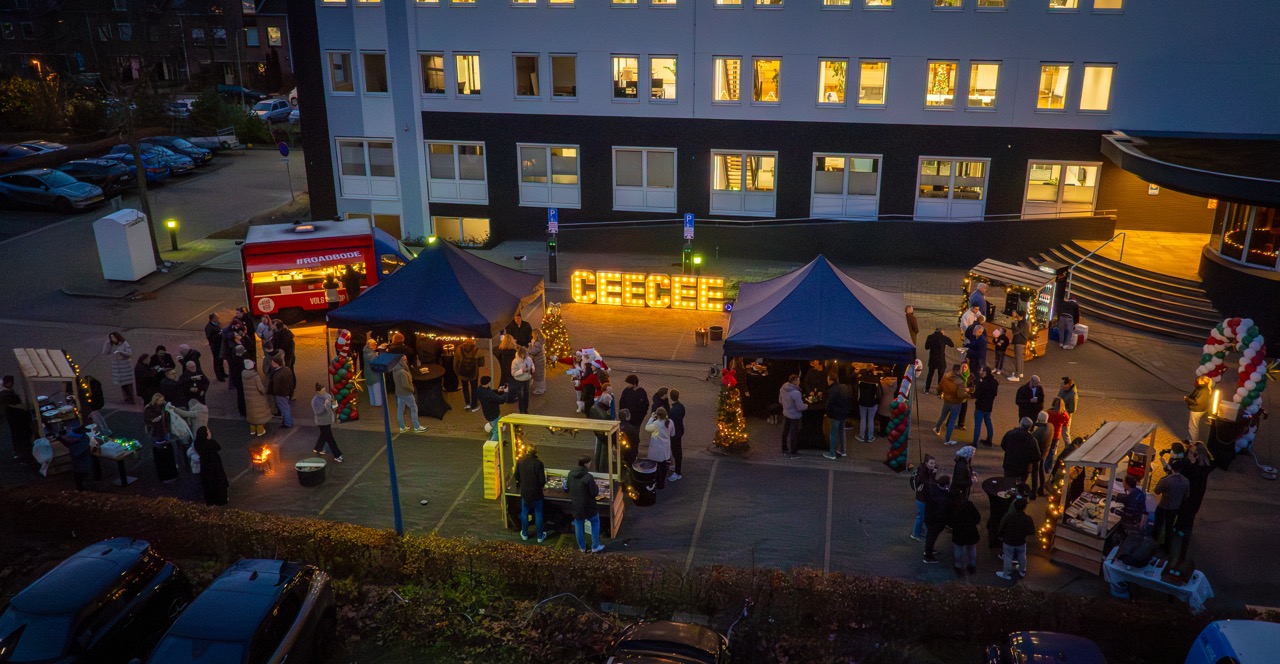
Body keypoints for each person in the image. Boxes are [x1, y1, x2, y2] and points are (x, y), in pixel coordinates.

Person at [565, 456, 605, 553]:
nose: (590, 464)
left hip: (576, 506)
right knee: (595, 523)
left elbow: (567, 488)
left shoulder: (570, 474)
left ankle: (582, 548)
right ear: (585, 464)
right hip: (589, 507)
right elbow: (594, 493)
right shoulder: (588, 477)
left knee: (578, 526)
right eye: (589, 463)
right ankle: (595, 546)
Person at [1176, 442, 1215, 542]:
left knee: (1188, 514)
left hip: (1194, 494)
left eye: (1193, 452)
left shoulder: (1204, 466)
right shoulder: (1191, 461)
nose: (1190, 453)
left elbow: (1198, 478)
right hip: (1188, 492)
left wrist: (1193, 463)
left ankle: (1183, 534)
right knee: (1182, 512)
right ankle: (1178, 530)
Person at [1153, 459, 1190, 551]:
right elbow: (1186, 495)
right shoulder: (1186, 481)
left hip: (1164, 505)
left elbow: (1157, 491)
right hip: (1175, 506)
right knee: (1169, 527)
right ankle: (1167, 546)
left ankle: (1153, 542)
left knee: (1158, 524)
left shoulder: (1166, 480)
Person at [514, 445, 547, 542]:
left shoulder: (520, 461)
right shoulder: (539, 464)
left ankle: (524, 534)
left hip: (525, 492)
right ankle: (540, 536)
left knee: (524, 512)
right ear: (535, 452)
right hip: (536, 493)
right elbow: (542, 481)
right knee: (538, 513)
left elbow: (516, 476)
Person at [996, 498, 1034, 580]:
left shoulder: (1009, 517)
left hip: (1008, 540)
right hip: (1021, 541)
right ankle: (1022, 571)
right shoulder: (1027, 518)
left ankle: (1006, 573)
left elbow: (1003, 527)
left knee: (1007, 557)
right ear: (1025, 507)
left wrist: (1000, 535)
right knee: (1022, 556)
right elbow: (1032, 531)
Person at [144, 393, 178, 483]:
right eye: (161, 400)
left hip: (164, 430)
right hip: (156, 432)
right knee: (159, 449)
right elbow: (147, 420)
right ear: (156, 400)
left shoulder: (163, 406)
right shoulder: (149, 409)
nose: (163, 401)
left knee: (166, 448)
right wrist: (154, 420)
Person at [1, 376, 34, 464]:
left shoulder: (5, 392)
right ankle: (25, 457)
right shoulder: (6, 394)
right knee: (21, 438)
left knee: (18, 438)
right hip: (17, 420)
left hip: (15, 419)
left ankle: (22, 455)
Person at [193, 426, 229, 505]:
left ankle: (210, 500)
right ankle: (221, 500)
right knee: (218, 480)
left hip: (205, 464)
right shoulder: (210, 442)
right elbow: (218, 447)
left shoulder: (197, 443)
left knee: (208, 483)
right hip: (214, 464)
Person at [950, 492, 982, 579]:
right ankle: (972, 566)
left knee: (958, 549)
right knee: (971, 548)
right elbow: (977, 517)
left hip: (959, 531)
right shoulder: (969, 505)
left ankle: (958, 566)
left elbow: (950, 520)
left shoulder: (953, 507)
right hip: (970, 530)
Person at [392, 355, 427, 433]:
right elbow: (406, 385)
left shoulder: (395, 369)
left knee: (400, 410)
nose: (406, 361)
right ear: (401, 361)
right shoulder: (402, 372)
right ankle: (416, 427)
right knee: (414, 409)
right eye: (404, 360)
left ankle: (402, 427)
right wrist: (412, 389)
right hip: (406, 394)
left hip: (399, 393)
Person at [922, 473, 952, 564]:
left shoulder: (933, 489)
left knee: (930, 536)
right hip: (936, 521)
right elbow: (942, 512)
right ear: (946, 485)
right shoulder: (943, 497)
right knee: (932, 537)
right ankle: (928, 556)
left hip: (929, 517)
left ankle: (929, 550)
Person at [933, 365, 966, 444]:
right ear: (959, 371)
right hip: (956, 403)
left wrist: (939, 393)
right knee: (952, 421)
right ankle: (947, 439)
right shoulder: (960, 381)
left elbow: (939, 387)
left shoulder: (946, 377)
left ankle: (937, 428)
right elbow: (960, 395)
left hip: (947, 401)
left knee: (943, 416)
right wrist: (968, 394)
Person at [312, 383, 344, 462]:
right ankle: (337, 455)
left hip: (328, 420)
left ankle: (318, 448)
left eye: (325, 390)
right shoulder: (315, 401)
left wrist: (334, 404)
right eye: (323, 391)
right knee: (330, 438)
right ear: (318, 392)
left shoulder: (327, 396)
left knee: (324, 435)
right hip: (322, 422)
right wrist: (325, 406)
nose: (324, 392)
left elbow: (333, 406)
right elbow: (318, 412)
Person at [1000, 417, 1039, 483]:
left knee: (1008, 484)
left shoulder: (1010, 434)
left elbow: (1003, 445)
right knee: (1020, 486)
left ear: (1020, 424)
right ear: (1030, 427)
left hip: (1009, 465)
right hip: (1023, 468)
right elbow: (1036, 456)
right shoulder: (1032, 440)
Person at [645, 407, 675, 490]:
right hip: (665, 448)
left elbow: (647, 428)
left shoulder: (656, 423)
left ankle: (657, 482)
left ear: (657, 415)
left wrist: (651, 418)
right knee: (663, 466)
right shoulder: (670, 422)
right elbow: (673, 434)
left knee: (656, 467)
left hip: (657, 448)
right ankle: (662, 483)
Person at [824, 374, 852, 460]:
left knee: (833, 433)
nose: (827, 381)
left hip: (836, 414)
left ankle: (832, 453)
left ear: (831, 380)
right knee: (842, 431)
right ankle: (843, 451)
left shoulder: (832, 389)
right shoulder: (844, 387)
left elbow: (829, 403)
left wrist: (827, 413)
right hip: (844, 413)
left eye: (828, 380)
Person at [911, 455, 938, 541]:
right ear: (926, 463)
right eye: (931, 463)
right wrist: (933, 473)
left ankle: (919, 531)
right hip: (922, 498)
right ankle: (915, 534)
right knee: (921, 517)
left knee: (922, 516)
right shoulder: (924, 472)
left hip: (923, 497)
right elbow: (929, 482)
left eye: (934, 463)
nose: (933, 465)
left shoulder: (924, 469)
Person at [779, 373, 807, 456]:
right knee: (793, 433)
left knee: (785, 431)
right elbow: (800, 407)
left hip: (786, 412)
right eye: (798, 380)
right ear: (796, 381)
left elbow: (780, 400)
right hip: (794, 415)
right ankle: (793, 451)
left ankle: (784, 447)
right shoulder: (796, 393)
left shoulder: (783, 388)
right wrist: (806, 406)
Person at [103, 332, 136, 404]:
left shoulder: (124, 343)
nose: (113, 339)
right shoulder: (111, 345)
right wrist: (107, 344)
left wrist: (121, 352)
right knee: (122, 384)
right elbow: (105, 352)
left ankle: (131, 398)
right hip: (116, 366)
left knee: (127, 383)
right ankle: (126, 398)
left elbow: (129, 353)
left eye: (114, 337)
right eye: (111, 337)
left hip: (124, 366)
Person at [242, 360, 271, 437]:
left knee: (252, 414)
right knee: (259, 415)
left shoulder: (243, 374)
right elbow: (260, 388)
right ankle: (260, 431)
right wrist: (265, 391)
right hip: (257, 398)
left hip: (248, 398)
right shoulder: (255, 376)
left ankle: (252, 430)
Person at [266, 357, 296, 428]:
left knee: (284, 408)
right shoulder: (287, 370)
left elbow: (276, 387)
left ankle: (288, 423)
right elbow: (291, 382)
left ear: (277, 363)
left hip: (280, 394)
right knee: (285, 407)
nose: (272, 364)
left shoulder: (277, 375)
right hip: (286, 393)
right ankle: (286, 421)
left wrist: (274, 393)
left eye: (273, 362)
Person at [972, 366, 998, 447]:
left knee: (977, 425)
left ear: (985, 372)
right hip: (989, 407)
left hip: (980, 406)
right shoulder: (994, 382)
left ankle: (974, 443)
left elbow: (977, 394)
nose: (980, 373)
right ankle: (989, 440)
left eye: (982, 371)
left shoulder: (983, 383)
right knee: (988, 423)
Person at [475, 376, 507, 441]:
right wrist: (506, 393)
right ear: (488, 383)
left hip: (487, 413)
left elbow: (490, 393)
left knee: (496, 426)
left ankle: (499, 438)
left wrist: (497, 390)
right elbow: (501, 400)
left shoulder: (479, 390)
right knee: (497, 431)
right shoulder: (488, 394)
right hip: (493, 414)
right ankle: (492, 445)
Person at [454, 339, 482, 411]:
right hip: (474, 374)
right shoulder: (477, 350)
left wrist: (458, 373)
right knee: (474, 388)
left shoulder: (459, 349)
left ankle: (467, 404)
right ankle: (474, 405)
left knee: (465, 388)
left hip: (463, 374)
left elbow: (455, 363)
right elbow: (482, 363)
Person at [924, 328, 954, 394]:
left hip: (932, 358)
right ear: (941, 332)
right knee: (940, 375)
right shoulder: (943, 337)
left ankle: (927, 389)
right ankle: (939, 391)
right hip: (941, 359)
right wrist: (946, 337)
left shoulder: (930, 337)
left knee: (930, 374)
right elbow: (952, 345)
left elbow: (926, 347)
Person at [1030, 412, 1053, 497]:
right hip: (1045, 452)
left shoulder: (1039, 431)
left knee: (1035, 472)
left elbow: (1032, 440)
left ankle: (1034, 490)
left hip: (1038, 453)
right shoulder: (1050, 426)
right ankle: (1041, 488)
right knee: (1041, 470)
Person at [1184, 375, 1213, 442]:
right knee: (1192, 425)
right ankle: (1190, 439)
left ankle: (1193, 442)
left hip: (1197, 409)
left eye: (1199, 379)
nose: (1197, 380)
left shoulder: (1203, 390)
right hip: (1200, 408)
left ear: (1202, 381)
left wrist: (1187, 399)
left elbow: (1197, 402)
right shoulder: (1204, 388)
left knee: (1193, 426)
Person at [1118, 474, 1147, 539]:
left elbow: (1128, 515)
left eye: (1123, 482)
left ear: (1127, 484)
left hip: (1133, 524)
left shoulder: (1131, 498)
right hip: (1139, 520)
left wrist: (1115, 511)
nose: (1122, 483)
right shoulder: (1139, 492)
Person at [856, 372, 882, 445]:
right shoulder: (876, 381)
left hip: (862, 402)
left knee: (863, 419)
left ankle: (861, 435)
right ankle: (870, 437)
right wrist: (877, 402)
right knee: (871, 420)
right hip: (872, 403)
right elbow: (879, 394)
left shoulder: (860, 380)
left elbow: (857, 392)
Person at [666, 389, 686, 481]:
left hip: (675, 433)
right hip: (680, 431)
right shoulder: (681, 406)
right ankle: (677, 468)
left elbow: (670, 422)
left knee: (676, 452)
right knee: (678, 451)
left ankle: (677, 472)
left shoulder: (673, 410)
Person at [510, 346, 534, 414]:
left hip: (527, 379)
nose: (524, 358)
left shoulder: (528, 358)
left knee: (526, 394)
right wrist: (522, 371)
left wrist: (532, 368)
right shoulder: (515, 361)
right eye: (522, 357)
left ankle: (526, 409)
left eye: (525, 356)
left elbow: (532, 364)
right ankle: (521, 410)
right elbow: (513, 373)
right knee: (520, 395)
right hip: (519, 380)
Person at [204, 314, 226, 382]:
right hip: (215, 346)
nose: (218, 318)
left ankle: (223, 373)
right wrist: (218, 335)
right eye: (216, 317)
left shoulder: (217, 323)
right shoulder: (208, 327)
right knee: (217, 360)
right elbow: (210, 338)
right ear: (212, 319)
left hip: (220, 344)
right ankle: (219, 376)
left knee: (221, 359)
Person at [364, 338, 385, 408]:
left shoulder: (365, 352)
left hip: (367, 373)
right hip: (374, 374)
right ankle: (378, 403)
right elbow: (375, 363)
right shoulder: (372, 354)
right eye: (374, 345)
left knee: (370, 389)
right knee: (377, 389)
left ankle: (372, 402)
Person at [1008, 311, 1029, 382]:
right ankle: (1020, 372)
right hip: (1022, 342)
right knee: (1020, 358)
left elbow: (1015, 331)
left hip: (1019, 342)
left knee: (1018, 358)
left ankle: (1016, 376)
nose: (1016, 317)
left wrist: (1013, 320)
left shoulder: (1022, 324)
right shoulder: (1024, 322)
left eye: (1017, 316)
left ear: (1021, 317)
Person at [1057, 377, 1078, 443]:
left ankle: (1069, 448)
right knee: (1057, 433)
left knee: (1065, 434)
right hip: (1059, 413)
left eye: (1065, 387)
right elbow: (1058, 397)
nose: (1063, 388)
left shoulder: (1072, 395)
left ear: (1069, 385)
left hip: (1066, 416)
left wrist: (1064, 411)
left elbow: (1072, 409)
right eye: (1062, 386)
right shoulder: (1063, 388)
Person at [228, 345, 247, 417]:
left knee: (240, 396)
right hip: (241, 381)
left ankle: (241, 411)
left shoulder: (234, 359)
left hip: (237, 381)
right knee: (242, 396)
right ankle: (243, 411)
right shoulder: (241, 362)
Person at [529, 330, 547, 396]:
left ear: (536, 334)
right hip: (537, 361)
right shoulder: (534, 341)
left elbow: (533, 351)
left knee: (539, 375)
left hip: (539, 362)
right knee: (536, 374)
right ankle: (537, 387)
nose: (531, 334)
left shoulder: (538, 343)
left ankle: (540, 389)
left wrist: (525, 350)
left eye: (532, 333)